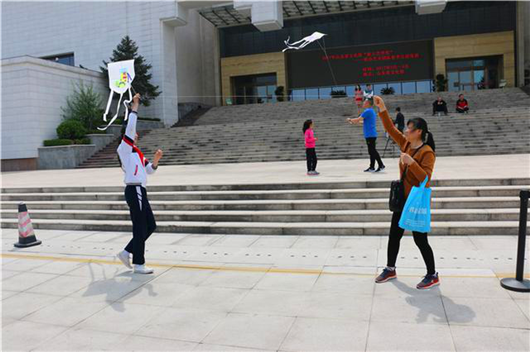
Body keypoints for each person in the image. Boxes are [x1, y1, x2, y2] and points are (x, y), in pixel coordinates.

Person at [372, 95, 439, 290]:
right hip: (402, 200)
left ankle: (432, 274)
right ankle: (390, 268)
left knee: (420, 239)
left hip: (416, 201)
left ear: (418, 132)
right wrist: (382, 109)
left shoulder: (427, 152)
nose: (406, 131)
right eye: (407, 128)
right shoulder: (406, 144)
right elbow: (390, 129)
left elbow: (425, 179)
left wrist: (412, 163)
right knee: (394, 235)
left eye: (409, 128)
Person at [116, 93, 164, 274]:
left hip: (140, 191)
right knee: (140, 226)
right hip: (134, 189)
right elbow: (130, 129)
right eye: (132, 132)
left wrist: (156, 160)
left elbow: (149, 170)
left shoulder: (137, 152)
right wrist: (134, 107)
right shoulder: (124, 149)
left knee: (150, 225)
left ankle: (127, 251)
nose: (136, 134)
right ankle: (139, 264)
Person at [347, 97, 385, 173]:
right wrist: (354, 121)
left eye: (364, 102)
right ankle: (372, 167)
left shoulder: (367, 111)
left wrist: (350, 119)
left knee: (372, 151)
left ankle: (381, 165)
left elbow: (359, 119)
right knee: (371, 151)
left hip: (370, 134)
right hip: (370, 134)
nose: (363, 103)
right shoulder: (371, 111)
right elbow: (363, 122)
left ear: (368, 103)